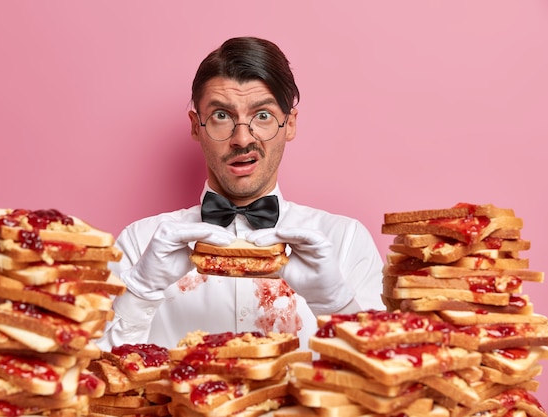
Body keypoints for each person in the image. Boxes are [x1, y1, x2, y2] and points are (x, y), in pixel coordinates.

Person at [96, 37, 384, 351]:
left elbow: (386, 382)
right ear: (196, 126)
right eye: (221, 115)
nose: (242, 138)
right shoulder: (139, 245)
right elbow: (92, 380)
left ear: (289, 125)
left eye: (263, 116)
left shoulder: (346, 241)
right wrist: (139, 293)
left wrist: (336, 305)